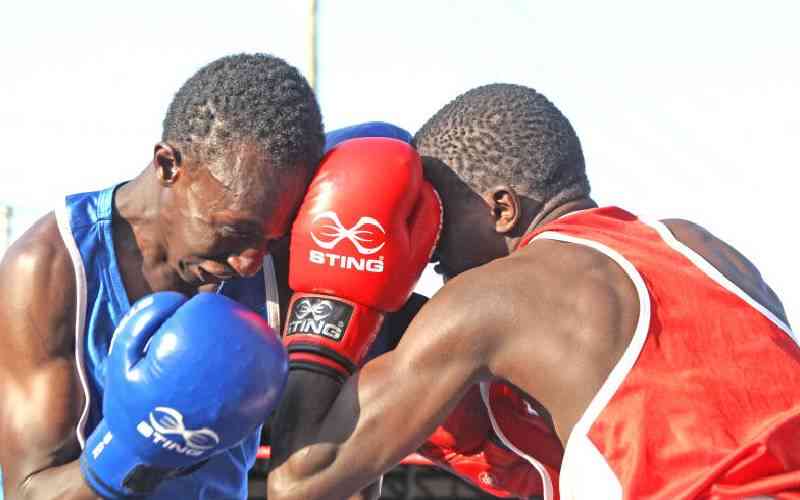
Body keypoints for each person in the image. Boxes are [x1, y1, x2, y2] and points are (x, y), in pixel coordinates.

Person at [266, 83, 800, 500]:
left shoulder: (488, 300)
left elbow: (302, 483)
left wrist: (331, 302)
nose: (426, 245)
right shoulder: (701, 247)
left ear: (502, 208)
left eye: (437, 214)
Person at [0, 53, 324, 499]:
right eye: (235, 230)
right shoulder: (50, 269)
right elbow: (28, 491)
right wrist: (137, 450)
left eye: (270, 238)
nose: (251, 261)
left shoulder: (279, 265)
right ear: (169, 165)